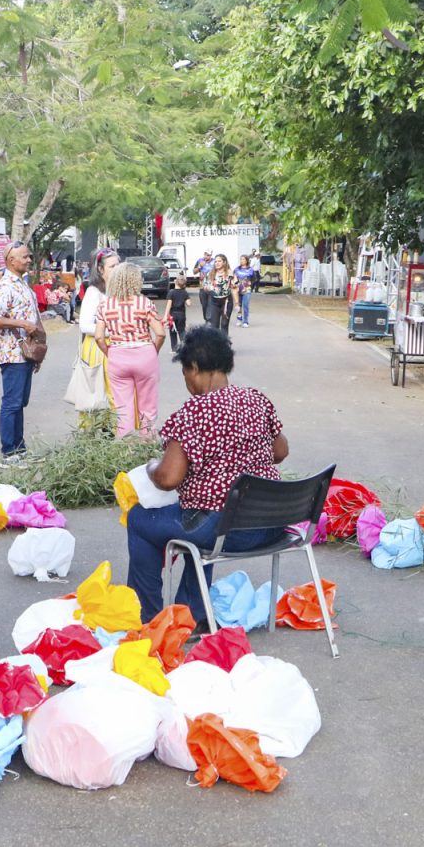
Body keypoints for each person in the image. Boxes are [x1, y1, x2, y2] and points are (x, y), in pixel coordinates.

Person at [124, 325, 290, 624]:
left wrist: (150, 467)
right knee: (200, 514)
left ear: (196, 368)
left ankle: (144, 616)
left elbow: (169, 478)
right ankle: (191, 615)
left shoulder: (194, 412)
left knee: (140, 519)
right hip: (270, 524)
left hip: (225, 531)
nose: (187, 380)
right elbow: (280, 452)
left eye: (186, 373)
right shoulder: (257, 400)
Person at [97, 262, 166, 437]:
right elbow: (160, 333)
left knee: (123, 409)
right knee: (148, 407)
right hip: (144, 354)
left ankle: (124, 449)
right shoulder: (145, 303)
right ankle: (147, 445)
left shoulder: (105, 305)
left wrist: (109, 352)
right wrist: (153, 351)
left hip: (118, 355)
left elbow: (99, 337)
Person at [0, 242, 41, 461]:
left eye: (29, 257)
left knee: (20, 402)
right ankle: (9, 451)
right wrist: (23, 324)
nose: (28, 260)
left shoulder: (22, 283)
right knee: (12, 402)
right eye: (25, 257)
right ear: (11, 260)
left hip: (25, 352)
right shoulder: (6, 285)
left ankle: (20, 448)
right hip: (11, 352)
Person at [77, 247, 121, 424]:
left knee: (115, 394)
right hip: (97, 348)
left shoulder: (117, 291)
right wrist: (113, 331)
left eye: (118, 265)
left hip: (115, 347)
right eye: (112, 266)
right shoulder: (94, 292)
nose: (117, 270)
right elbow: (85, 325)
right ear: (101, 269)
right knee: (97, 395)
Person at [206, 254, 235, 332]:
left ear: (224, 262)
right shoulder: (210, 273)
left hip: (226, 302)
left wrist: (238, 303)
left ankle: (224, 343)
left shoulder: (229, 273)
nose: (217, 263)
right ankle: (216, 343)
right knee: (214, 326)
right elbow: (205, 286)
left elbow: (235, 288)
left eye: (219, 261)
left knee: (224, 325)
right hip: (214, 302)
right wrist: (208, 288)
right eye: (215, 261)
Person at [165, 274, 190, 352]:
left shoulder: (171, 292)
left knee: (172, 331)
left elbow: (168, 305)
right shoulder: (184, 292)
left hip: (173, 315)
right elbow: (189, 303)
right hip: (181, 314)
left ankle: (174, 348)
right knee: (182, 330)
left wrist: (165, 316)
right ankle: (185, 346)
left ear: (175, 282)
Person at [234, 254, 257, 326]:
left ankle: (245, 321)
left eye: (243, 259)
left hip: (247, 290)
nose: (242, 261)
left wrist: (250, 284)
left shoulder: (250, 270)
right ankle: (239, 318)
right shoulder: (237, 269)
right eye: (241, 259)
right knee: (238, 304)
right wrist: (235, 283)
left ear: (247, 260)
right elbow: (233, 278)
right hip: (238, 290)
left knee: (245, 305)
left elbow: (254, 279)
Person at [195, 251, 214, 322]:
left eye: (209, 255)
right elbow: (194, 271)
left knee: (210, 303)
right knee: (204, 304)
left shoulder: (214, 261)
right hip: (202, 286)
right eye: (206, 255)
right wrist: (200, 267)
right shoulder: (200, 261)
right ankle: (206, 318)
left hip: (212, 286)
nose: (207, 256)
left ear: (211, 255)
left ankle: (209, 319)